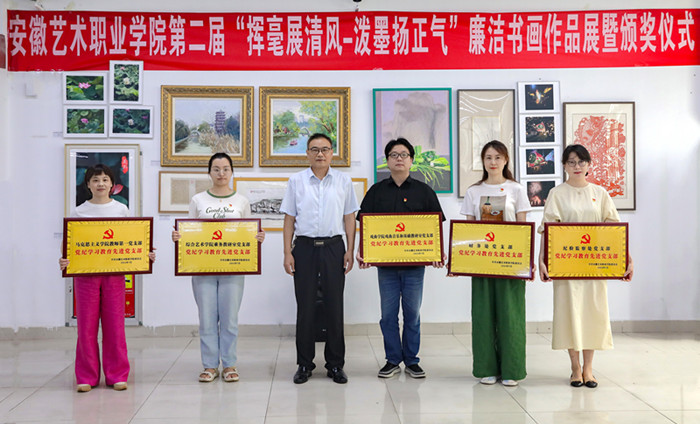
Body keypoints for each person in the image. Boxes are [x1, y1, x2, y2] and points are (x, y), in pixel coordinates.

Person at [538, 144, 633, 388]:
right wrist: (542, 260)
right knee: (569, 313)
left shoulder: (600, 193)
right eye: (571, 162)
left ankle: (589, 369)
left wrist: (627, 259)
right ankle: (575, 367)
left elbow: (615, 231)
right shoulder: (557, 193)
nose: (577, 166)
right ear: (564, 166)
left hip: (594, 266)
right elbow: (547, 230)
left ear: (589, 164)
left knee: (592, 313)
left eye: (581, 161)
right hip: (565, 265)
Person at [59, 164, 156, 393]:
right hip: (86, 276)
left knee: (115, 326)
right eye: (95, 180)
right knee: (86, 327)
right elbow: (69, 243)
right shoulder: (79, 212)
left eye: (104, 179)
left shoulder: (122, 210)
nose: (100, 184)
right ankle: (86, 376)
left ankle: (117, 375)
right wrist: (63, 260)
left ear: (112, 184)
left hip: (115, 275)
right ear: (88, 185)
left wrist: (146, 255)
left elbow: (132, 238)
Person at [171, 152, 265, 383]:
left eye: (225, 169)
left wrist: (257, 237)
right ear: (209, 172)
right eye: (216, 169)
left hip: (233, 267)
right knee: (207, 318)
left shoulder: (241, 201)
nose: (221, 173)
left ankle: (230, 363)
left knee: (230, 318)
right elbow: (189, 230)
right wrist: (179, 237)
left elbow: (248, 231)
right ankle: (210, 365)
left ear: (232, 172)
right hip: (203, 267)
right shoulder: (198, 200)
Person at [356, 137, 445, 379]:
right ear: (387, 160)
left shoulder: (424, 191)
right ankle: (393, 360)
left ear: (411, 160)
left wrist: (438, 252)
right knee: (388, 315)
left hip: (415, 267)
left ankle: (412, 361)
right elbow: (365, 224)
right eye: (394, 155)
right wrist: (362, 251)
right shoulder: (376, 191)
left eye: (404, 154)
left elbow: (435, 226)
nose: (399, 159)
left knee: (412, 314)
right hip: (386, 266)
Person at [280, 133, 359, 384]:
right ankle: (304, 364)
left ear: (332, 152)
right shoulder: (296, 181)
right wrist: (287, 252)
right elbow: (289, 219)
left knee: (335, 306)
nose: (320, 154)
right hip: (304, 248)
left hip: (334, 247)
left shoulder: (344, 181)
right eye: (314, 149)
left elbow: (349, 217)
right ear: (307, 153)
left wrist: (350, 250)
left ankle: (335, 364)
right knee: (305, 307)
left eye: (325, 149)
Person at [459, 140, 532, 387]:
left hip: (510, 262)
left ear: (506, 160)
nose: (493, 162)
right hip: (481, 262)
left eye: (498, 157)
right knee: (483, 315)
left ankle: (512, 369)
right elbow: (467, 230)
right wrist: (461, 261)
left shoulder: (516, 190)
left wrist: (527, 262)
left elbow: (523, 228)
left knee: (511, 315)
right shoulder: (473, 192)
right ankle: (486, 367)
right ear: (483, 161)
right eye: (488, 157)